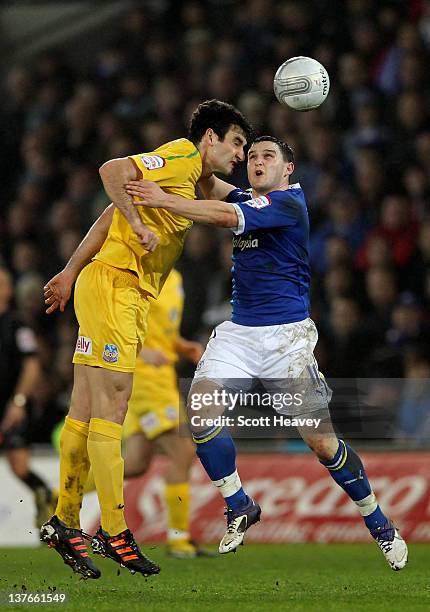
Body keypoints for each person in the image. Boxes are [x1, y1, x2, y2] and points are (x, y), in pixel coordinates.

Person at [125, 135, 408, 571]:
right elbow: (206, 181)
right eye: (251, 156)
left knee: (321, 442)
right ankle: (239, 504)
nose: (256, 162)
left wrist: (162, 198)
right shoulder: (246, 195)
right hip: (239, 333)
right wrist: (202, 150)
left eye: (267, 156)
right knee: (200, 408)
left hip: (286, 340)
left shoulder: (288, 205)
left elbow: (221, 213)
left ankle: (379, 523)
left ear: (287, 169)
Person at [40, 99, 252, 579]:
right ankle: (115, 532)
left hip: (108, 285)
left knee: (85, 409)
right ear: (210, 138)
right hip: (117, 285)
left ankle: (65, 520)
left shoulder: (194, 178)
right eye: (237, 143)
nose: (240, 154)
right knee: (112, 408)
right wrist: (137, 224)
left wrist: (71, 270)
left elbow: (111, 212)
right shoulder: (180, 155)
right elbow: (112, 169)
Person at [84, 268, 207, 558]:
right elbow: (108, 323)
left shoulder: (174, 277)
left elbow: (160, 329)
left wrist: (181, 346)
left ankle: (64, 495)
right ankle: (179, 540)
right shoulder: (133, 274)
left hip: (162, 379)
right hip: (144, 379)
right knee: (183, 452)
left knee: (137, 462)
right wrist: (140, 352)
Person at [0, 267, 55, 527]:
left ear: (9, 290)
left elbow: (32, 366)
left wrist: (19, 401)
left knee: (19, 466)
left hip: (11, 405)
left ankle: (48, 501)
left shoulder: (16, 324)